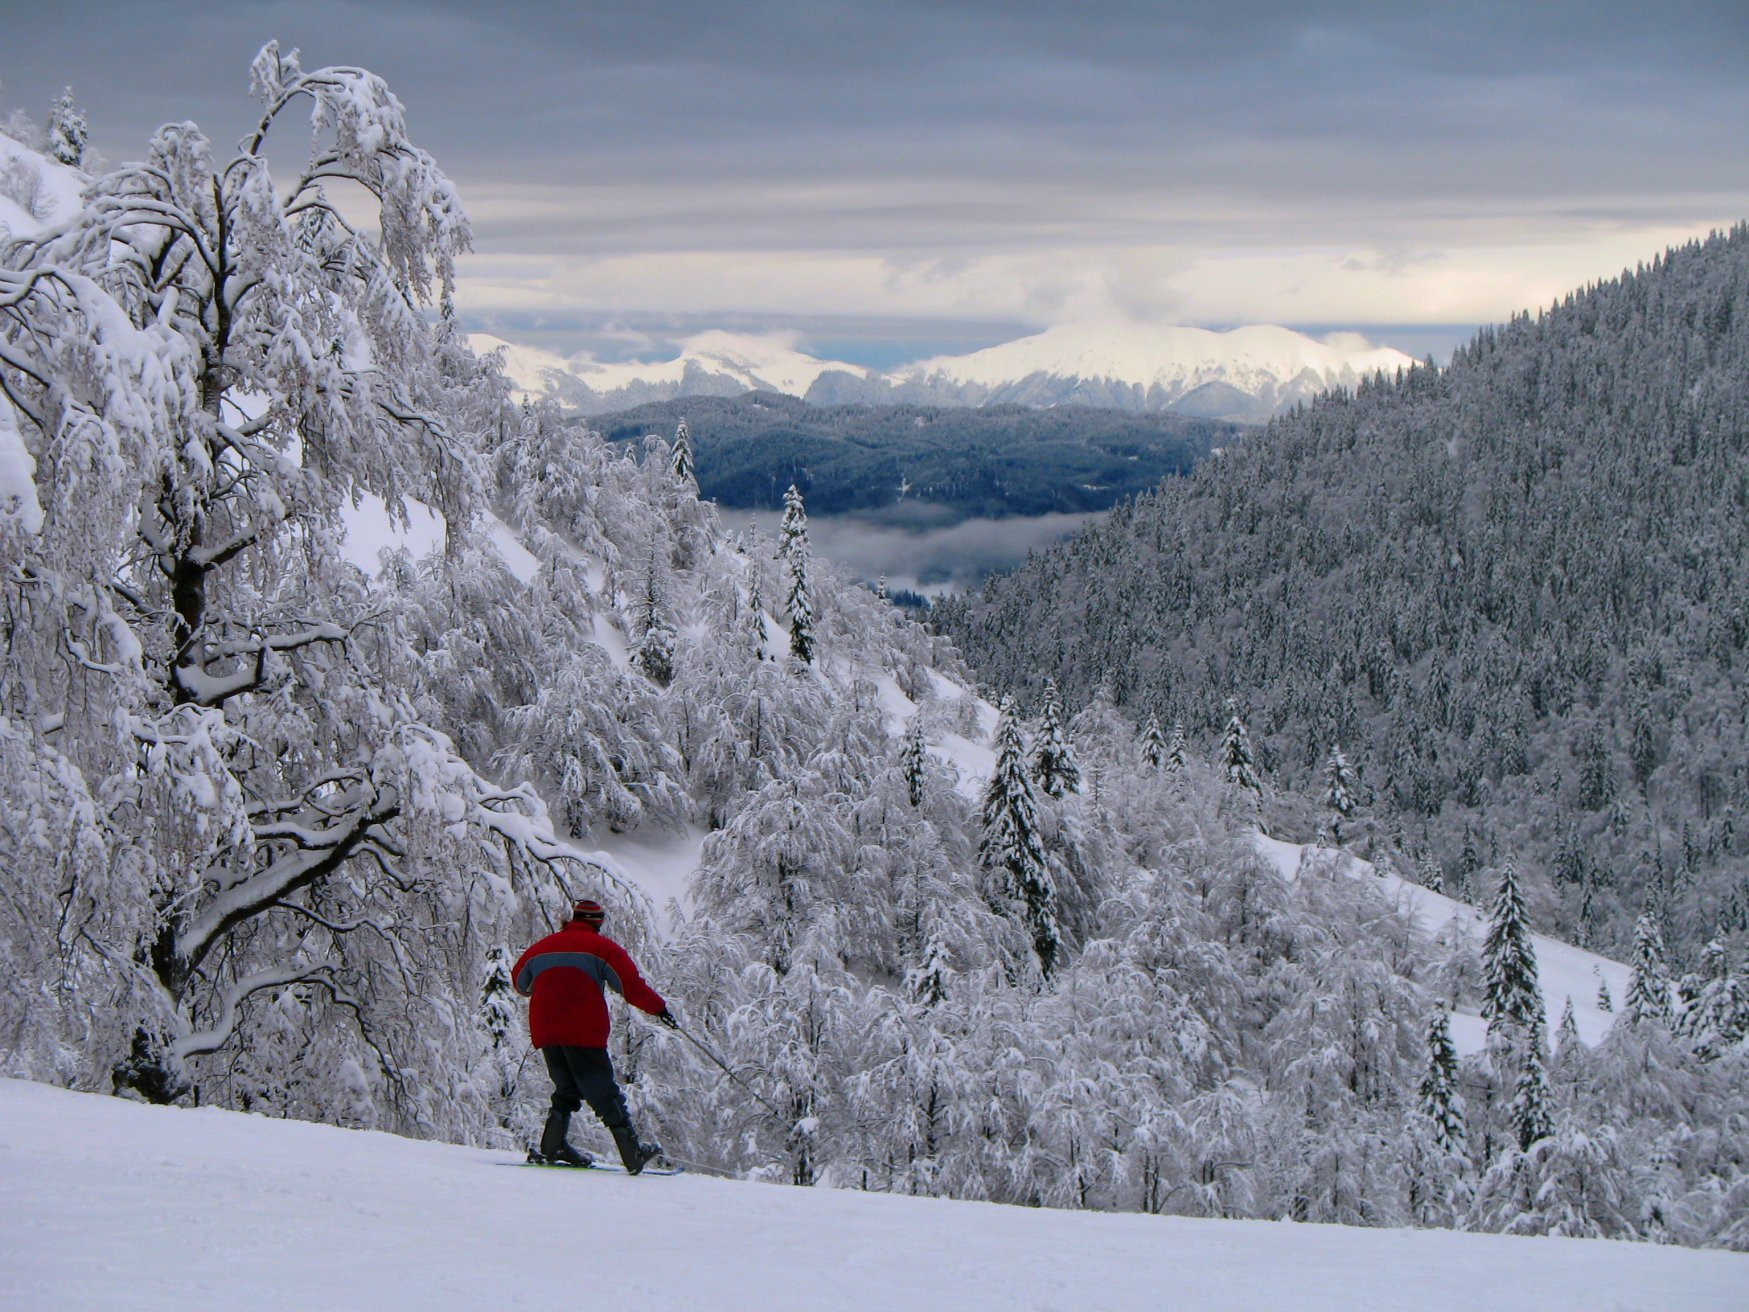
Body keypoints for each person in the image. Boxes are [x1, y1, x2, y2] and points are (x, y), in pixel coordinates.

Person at [512, 898, 678, 1173]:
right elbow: (631, 987)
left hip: (546, 1028)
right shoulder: (603, 949)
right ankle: (631, 1153)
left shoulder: (541, 948)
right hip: (583, 1029)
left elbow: (520, 983)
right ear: (598, 922)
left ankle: (552, 1147)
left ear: (573, 918)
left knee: (566, 1088)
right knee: (602, 1090)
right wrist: (660, 1008)